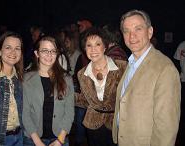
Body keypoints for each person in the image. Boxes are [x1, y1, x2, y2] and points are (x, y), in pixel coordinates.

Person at [112, 9, 181, 146]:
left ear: (150, 32)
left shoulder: (165, 69)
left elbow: (166, 128)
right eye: (126, 31)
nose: (132, 36)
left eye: (138, 29)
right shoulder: (131, 63)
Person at [75, 27, 127, 146]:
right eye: (89, 45)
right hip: (93, 124)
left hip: (116, 123)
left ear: (105, 47)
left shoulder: (122, 67)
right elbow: (85, 100)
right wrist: (66, 95)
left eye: (97, 44)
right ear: (84, 49)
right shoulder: (82, 74)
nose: (93, 49)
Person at [23, 35, 74, 146]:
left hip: (60, 138)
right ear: (37, 54)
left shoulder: (67, 79)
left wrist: (60, 140)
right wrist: (37, 142)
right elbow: (25, 113)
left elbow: (69, 112)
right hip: (32, 139)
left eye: (53, 51)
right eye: (45, 50)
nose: (49, 55)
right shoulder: (27, 79)